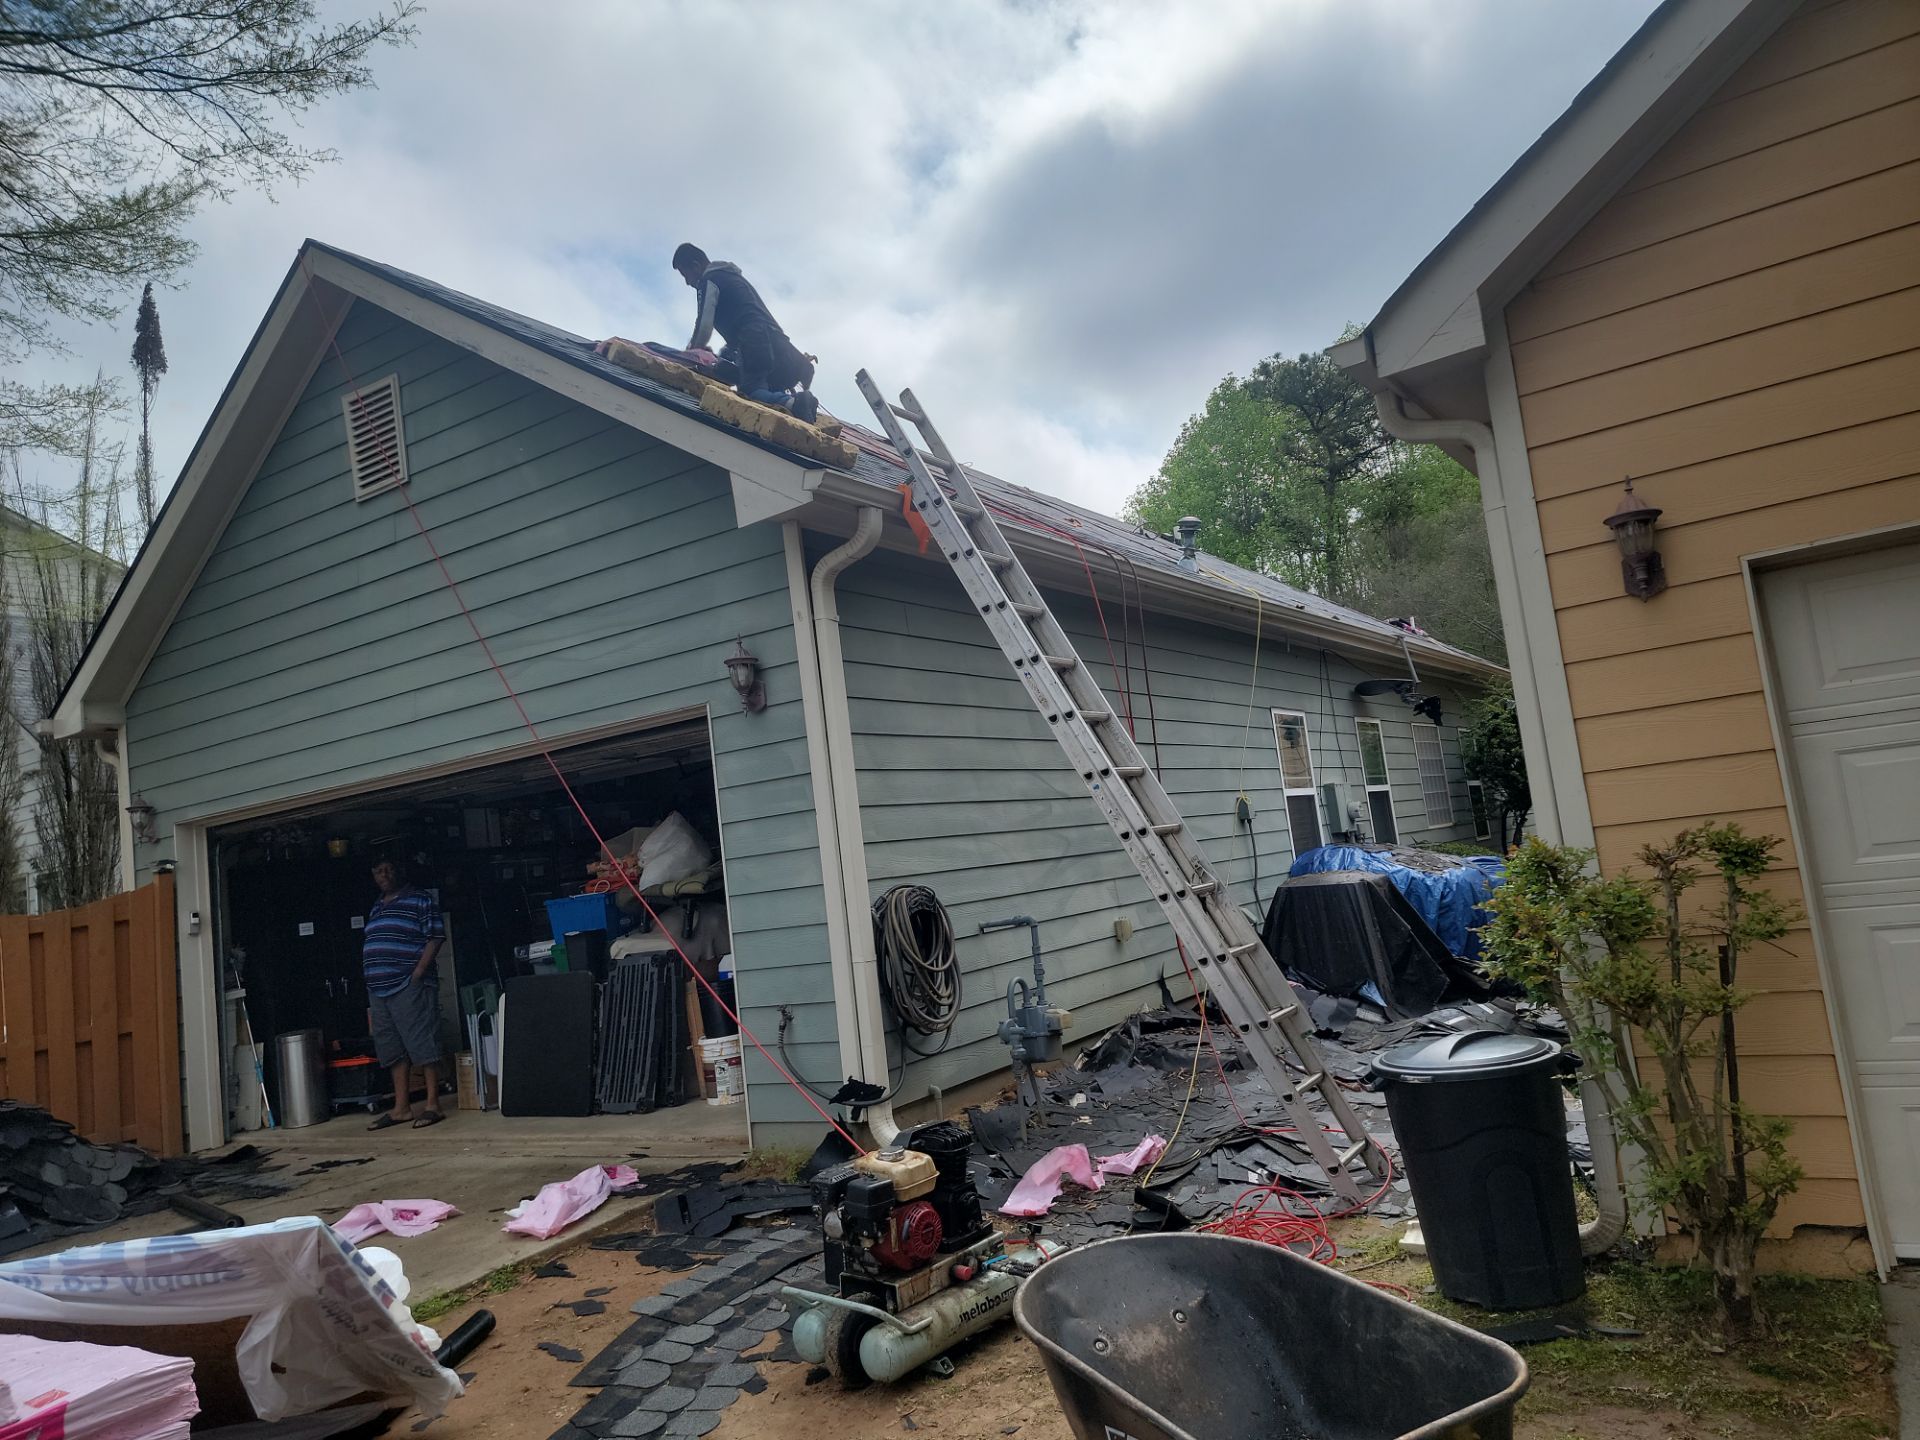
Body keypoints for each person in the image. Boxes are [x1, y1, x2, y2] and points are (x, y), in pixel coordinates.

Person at [670, 243, 820, 423]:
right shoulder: (732, 278)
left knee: (751, 394)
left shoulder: (710, 279)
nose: (687, 282)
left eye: (685, 275)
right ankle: (793, 405)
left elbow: (704, 324)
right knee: (769, 401)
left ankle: (795, 404)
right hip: (779, 347)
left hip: (754, 340)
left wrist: (692, 353)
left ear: (696, 266)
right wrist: (723, 356)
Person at [362, 857, 447, 1130]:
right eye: (378, 870)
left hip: (407, 983)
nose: (383, 874)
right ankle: (402, 1108)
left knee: (422, 1040)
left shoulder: (420, 899)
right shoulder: (377, 905)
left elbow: (435, 936)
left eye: (388, 868)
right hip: (379, 988)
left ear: (399, 871)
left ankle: (433, 1104)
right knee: (392, 1048)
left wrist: (418, 973)